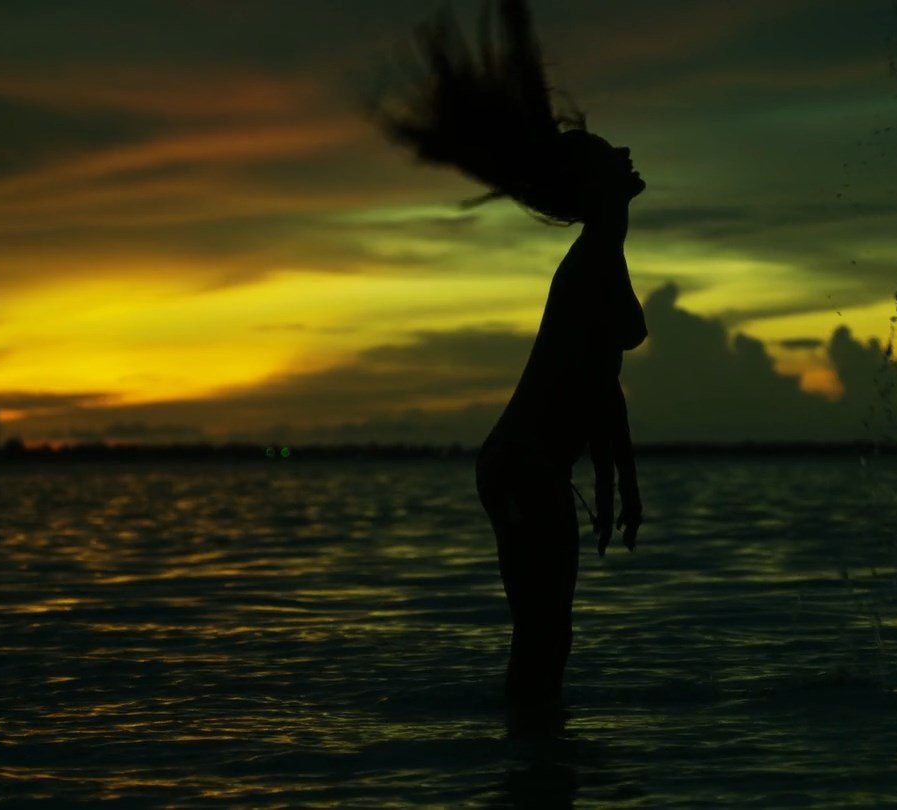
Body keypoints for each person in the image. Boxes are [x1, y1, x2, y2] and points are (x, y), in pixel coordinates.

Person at [364, 0, 647, 736]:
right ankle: (532, 755)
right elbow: (599, 381)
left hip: (527, 467)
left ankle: (533, 759)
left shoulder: (602, 257)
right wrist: (613, 483)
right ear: (595, 186)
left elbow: (601, 382)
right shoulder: (592, 262)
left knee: (548, 628)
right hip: (524, 467)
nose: (624, 154)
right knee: (544, 628)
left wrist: (619, 484)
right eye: (608, 153)